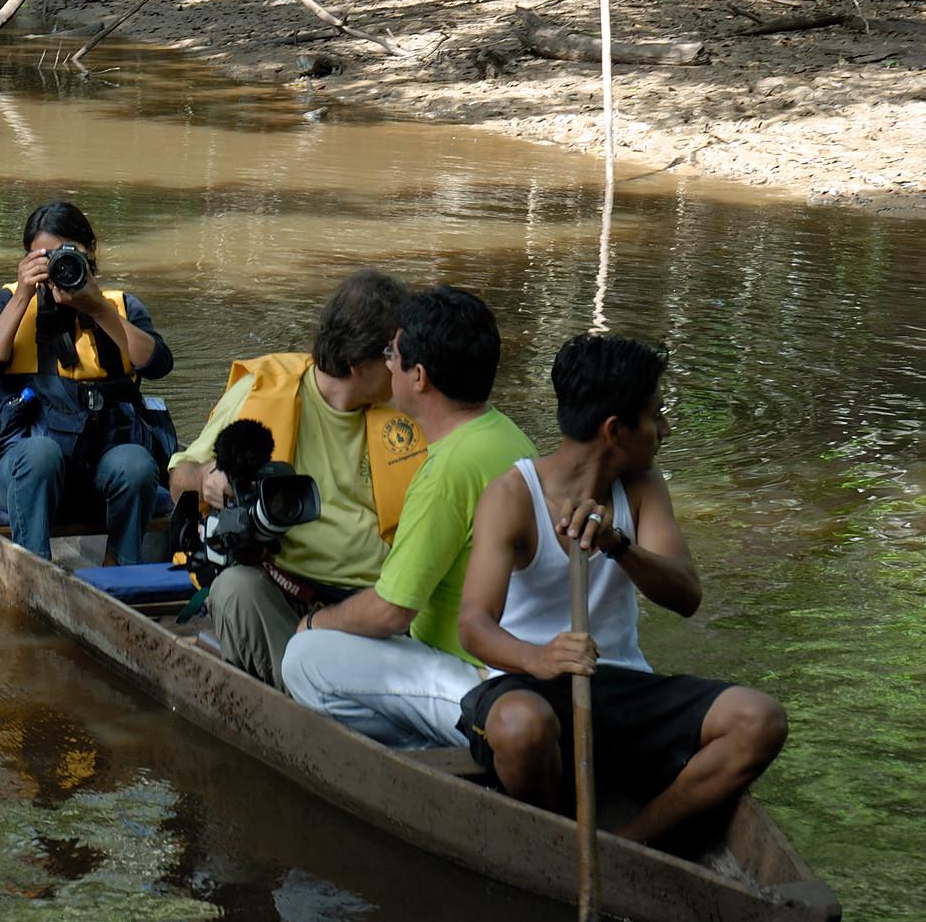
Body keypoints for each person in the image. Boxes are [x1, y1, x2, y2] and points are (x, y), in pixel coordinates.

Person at [457, 333, 787, 846]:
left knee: (759, 719)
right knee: (524, 727)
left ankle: (625, 849)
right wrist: (540, 658)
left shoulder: (642, 486)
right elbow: (474, 626)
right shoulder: (511, 495)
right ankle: (553, 841)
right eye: (655, 415)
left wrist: (618, 544)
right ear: (615, 429)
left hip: (619, 684)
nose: (666, 429)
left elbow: (686, 595)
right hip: (526, 685)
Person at [281, 286, 535, 745]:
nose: (388, 365)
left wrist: (315, 622)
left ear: (418, 377)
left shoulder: (445, 470)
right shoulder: (507, 436)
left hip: (481, 681)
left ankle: (422, 750)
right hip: (517, 666)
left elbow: (391, 613)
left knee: (304, 656)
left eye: (391, 354)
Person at [169, 270, 426, 689]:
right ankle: (307, 704)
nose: (408, 364)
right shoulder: (264, 389)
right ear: (355, 364)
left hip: (385, 602)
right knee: (234, 588)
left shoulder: (415, 404)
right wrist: (207, 478)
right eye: (395, 353)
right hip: (283, 596)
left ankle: (345, 697)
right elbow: (179, 479)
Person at [0, 200, 174, 565]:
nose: (58, 265)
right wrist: (24, 295)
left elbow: (157, 365)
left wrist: (96, 309)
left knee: (136, 463)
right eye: (44, 257)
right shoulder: (12, 300)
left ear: (91, 252)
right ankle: (35, 569)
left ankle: (120, 571)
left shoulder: (118, 306)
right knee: (40, 454)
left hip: (96, 470)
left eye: (68, 254)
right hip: (22, 469)